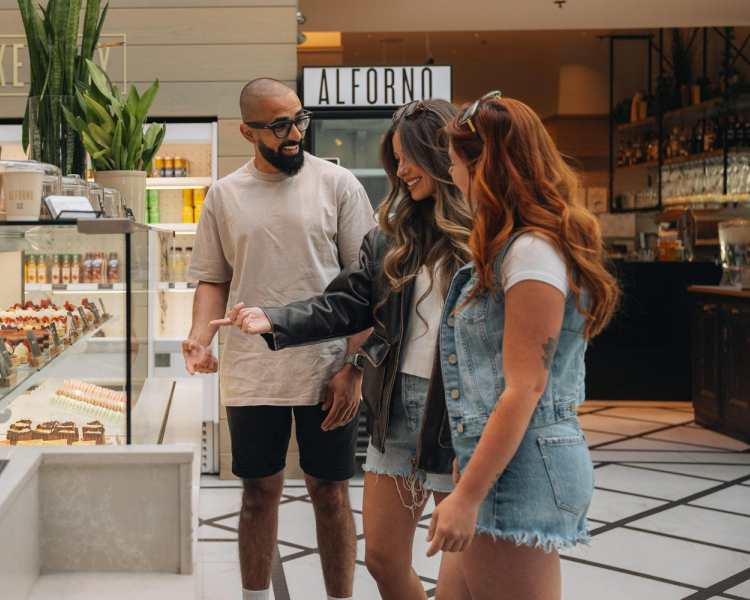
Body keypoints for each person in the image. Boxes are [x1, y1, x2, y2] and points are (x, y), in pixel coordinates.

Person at [212, 99, 474, 600]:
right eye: (394, 159)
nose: (399, 170)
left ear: (442, 154)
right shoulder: (394, 237)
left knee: (464, 568)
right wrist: (274, 320)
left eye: (407, 157)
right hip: (396, 407)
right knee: (382, 559)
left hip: (456, 413)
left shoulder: (489, 232)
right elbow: (346, 302)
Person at [181, 78, 375, 600]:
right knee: (257, 495)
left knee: (330, 493)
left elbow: (367, 285)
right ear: (248, 131)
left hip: (327, 369)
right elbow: (213, 279)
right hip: (251, 370)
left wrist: (354, 367)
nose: (295, 134)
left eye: (299, 120)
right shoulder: (224, 195)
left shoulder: (339, 185)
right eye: (280, 125)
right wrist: (200, 337)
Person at [424, 92, 620, 600]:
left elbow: (525, 387)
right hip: (499, 464)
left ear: (482, 166)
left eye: (455, 163)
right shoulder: (513, 247)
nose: (453, 176)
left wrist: (467, 495)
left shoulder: (531, 251)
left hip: (519, 472)